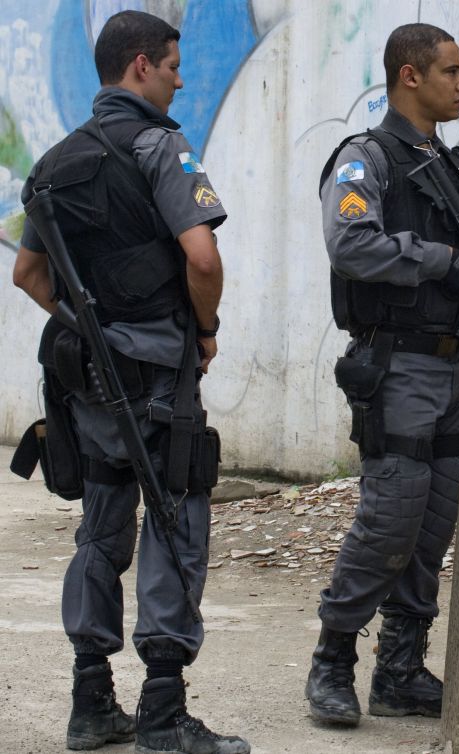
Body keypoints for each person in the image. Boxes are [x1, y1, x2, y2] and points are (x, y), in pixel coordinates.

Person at [12, 11, 248, 754]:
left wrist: (89, 326)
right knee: (178, 516)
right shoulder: (159, 146)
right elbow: (202, 260)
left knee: (100, 527)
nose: (182, 78)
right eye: (174, 65)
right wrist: (203, 331)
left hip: (88, 378)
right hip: (157, 376)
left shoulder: (50, 164)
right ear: (141, 65)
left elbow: (27, 274)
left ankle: (91, 702)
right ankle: (162, 711)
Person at [307, 22, 459, 728]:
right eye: (450, 72)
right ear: (410, 76)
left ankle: (400, 668)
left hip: (454, 368)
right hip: (400, 366)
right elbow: (352, 244)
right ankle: (333, 660)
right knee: (390, 519)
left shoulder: (454, 167)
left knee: (435, 524)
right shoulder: (366, 158)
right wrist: (445, 263)